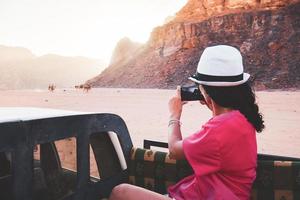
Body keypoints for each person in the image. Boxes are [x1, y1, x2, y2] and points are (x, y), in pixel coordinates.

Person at [109, 45, 264, 200]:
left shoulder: (220, 128)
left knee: (120, 191)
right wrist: (211, 102)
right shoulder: (242, 117)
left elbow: (174, 150)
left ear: (206, 93)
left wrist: (174, 114)